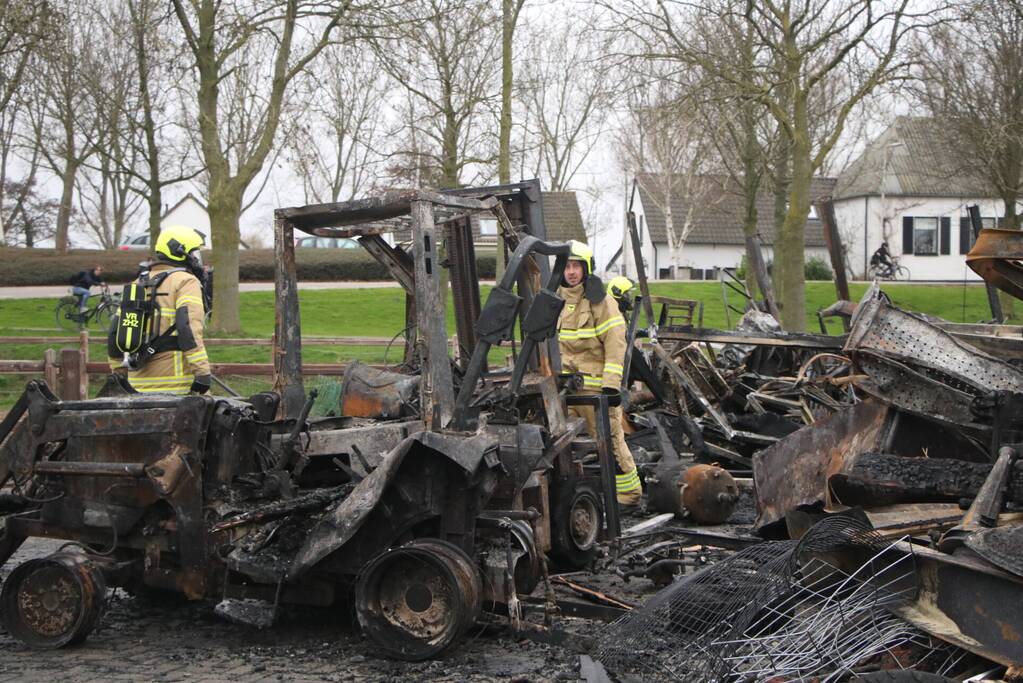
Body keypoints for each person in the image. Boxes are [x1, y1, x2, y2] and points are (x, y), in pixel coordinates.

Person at [558, 242, 643, 506]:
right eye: (567, 266)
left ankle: (628, 495)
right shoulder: (556, 300)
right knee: (564, 448)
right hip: (565, 391)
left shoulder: (602, 302)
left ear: (586, 269)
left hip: (596, 392)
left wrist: (610, 387)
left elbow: (616, 346)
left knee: (611, 443)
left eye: (576, 266)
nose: (571, 272)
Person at [109, 225, 211, 395]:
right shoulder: (186, 282)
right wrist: (202, 373)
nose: (196, 259)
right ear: (180, 252)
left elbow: (114, 332)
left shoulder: (138, 283)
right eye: (194, 253)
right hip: (177, 385)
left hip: (136, 386)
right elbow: (189, 328)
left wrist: (118, 371)